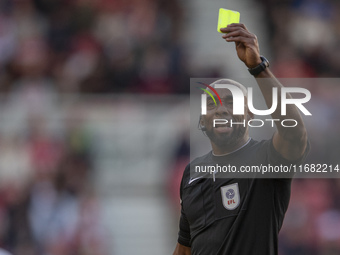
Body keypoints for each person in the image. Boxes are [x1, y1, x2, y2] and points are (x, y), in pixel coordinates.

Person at [172, 23, 310, 255]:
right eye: (212, 104)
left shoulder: (267, 159)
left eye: (231, 102)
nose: (221, 110)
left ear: (249, 113)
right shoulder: (192, 174)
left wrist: (258, 68)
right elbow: (185, 249)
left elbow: (294, 133)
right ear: (203, 119)